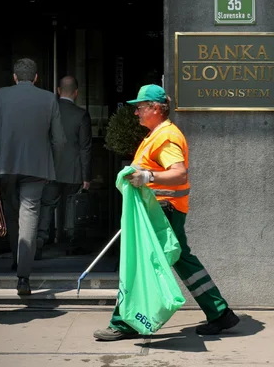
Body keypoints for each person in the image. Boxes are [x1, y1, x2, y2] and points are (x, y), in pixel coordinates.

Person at [93, 84, 240, 341]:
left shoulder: (165, 137)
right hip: (165, 210)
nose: (136, 113)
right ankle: (219, 312)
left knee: (138, 263)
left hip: (163, 211)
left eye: (140, 107)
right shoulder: (158, 134)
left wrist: (146, 176)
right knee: (182, 259)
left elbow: (179, 172)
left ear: (156, 109)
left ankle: (124, 322)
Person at [0, 58, 66, 295]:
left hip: (5, 165)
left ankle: (18, 261)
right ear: (36, 77)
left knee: (10, 212)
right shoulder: (49, 98)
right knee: (29, 215)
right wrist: (52, 166)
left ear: (15, 77)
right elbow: (59, 141)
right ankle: (23, 277)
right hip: (37, 168)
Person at [36, 75, 92, 259]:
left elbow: (42, 142)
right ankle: (72, 244)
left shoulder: (48, 112)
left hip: (51, 169)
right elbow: (85, 148)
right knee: (72, 207)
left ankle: (39, 242)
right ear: (76, 93)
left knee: (47, 206)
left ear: (58, 91)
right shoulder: (81, 114)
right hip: (74, 170)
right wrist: (86, 177)